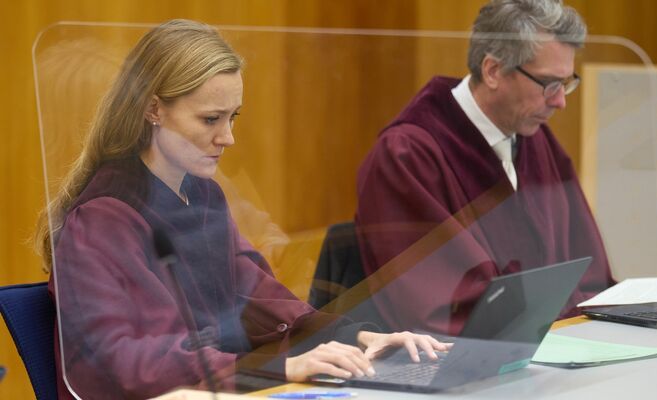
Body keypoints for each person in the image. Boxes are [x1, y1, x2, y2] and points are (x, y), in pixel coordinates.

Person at [34, 19, 447, 399]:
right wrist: (276, 368)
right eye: (210, 119)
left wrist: (357, 336)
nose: (227, 137)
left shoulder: (203, 196)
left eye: (233, 117)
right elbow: (127, 361)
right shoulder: (101, 219)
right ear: (154, 109)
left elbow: (260, 298)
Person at [355, 0, 615, 336]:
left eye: (567, 83)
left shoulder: (535, 137)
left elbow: (588, 276)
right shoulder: (407, 155)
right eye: (549, 84)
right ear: (493, 71)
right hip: (467, 360)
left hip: (553, 348)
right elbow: (443, 308)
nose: (560, 102)